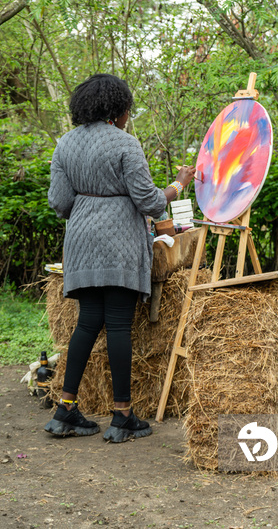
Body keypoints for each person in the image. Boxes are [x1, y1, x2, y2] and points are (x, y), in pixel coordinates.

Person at [44, 73, 195, 442]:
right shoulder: (125, 144)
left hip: (80, 243)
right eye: (127, 109)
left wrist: (89, 203)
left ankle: (65, 410)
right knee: (117, 326)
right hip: (120, 244)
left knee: (86, 323)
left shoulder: (65, 143)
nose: (129, 115)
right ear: (117, 110)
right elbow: (150, 202)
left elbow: (59, 203)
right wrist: (179, 183)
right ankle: (122, 416)